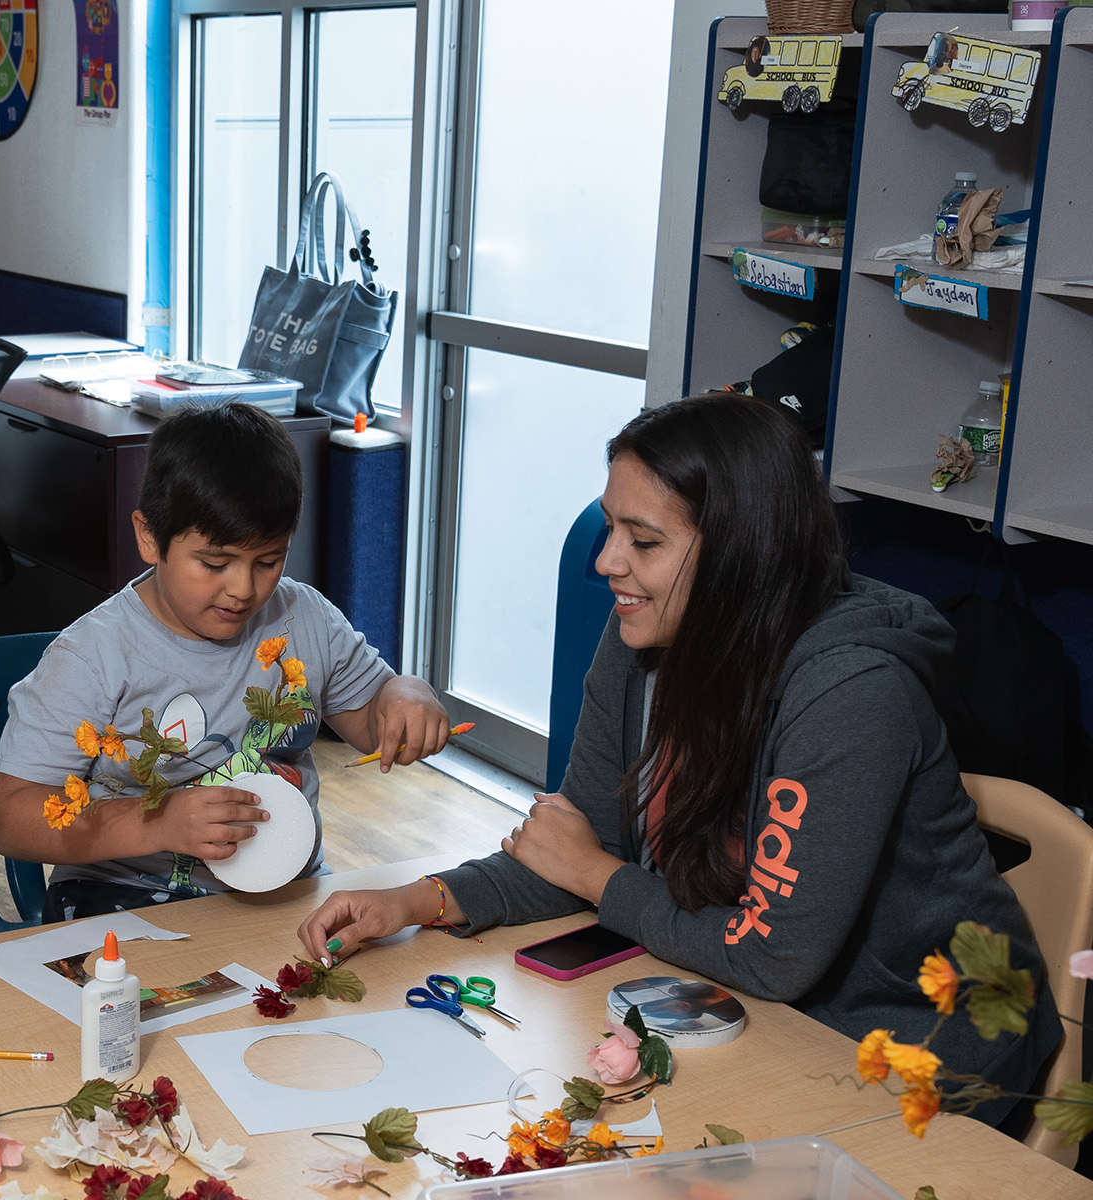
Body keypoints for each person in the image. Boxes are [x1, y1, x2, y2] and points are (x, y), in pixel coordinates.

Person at [297, 394, 1060, 1125]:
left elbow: (767, 953)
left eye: (645, 541)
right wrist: (419, 901)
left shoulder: (852, 692)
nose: (606, 563)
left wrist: (598, 876)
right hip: (773, 1011)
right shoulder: (647, 633)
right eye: (610, 529)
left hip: (923, 1049)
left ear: (740, 554)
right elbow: (577, 842)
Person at [0, 402, 452, 922]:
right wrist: (156, 822)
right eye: (214, 563)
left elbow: (371, 723)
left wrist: (407, 694)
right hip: (125, 895)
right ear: (148, 537)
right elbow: (10, 817)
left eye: (269, 561)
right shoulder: (91, 658)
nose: (243, 589)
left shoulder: (304, 618)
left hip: (285, 886)